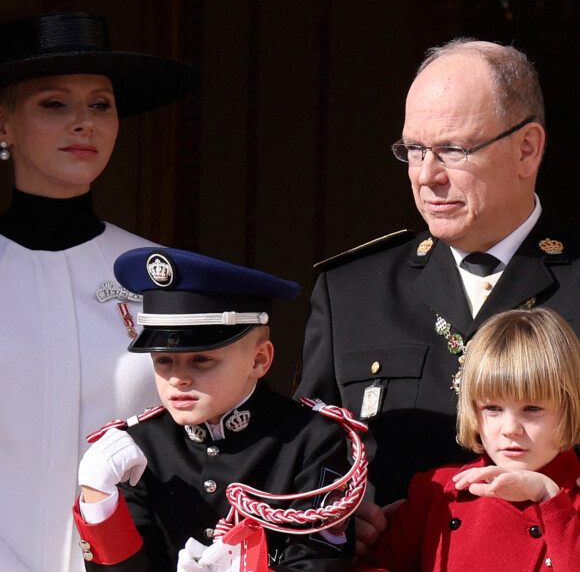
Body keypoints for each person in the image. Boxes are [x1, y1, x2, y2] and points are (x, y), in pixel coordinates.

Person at [293, 37, 580, 553]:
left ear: (527, 148)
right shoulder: (354, 291)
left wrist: (555, 498)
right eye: (414, 150)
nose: (427, 176)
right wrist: (331, 522)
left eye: (453, 149)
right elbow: (305, 456)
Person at [0, 12, 198, 572]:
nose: (84, 122)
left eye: (101, 104)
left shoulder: (164, 276)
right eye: (54, 103)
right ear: (4, 123)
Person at [72, 247, 357, 571]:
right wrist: (98, 501)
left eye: (202, 359)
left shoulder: (310, 440)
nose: (177, 378)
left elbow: (320, 563)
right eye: (164, 360)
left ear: (259, 359)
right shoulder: (141, 447)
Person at [353, 307, 580, 571]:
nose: (510, 428)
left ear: (568, 406)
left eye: (532, 409)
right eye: (492, 408)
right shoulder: (439, 491)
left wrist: (549, 498)